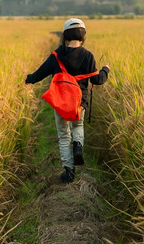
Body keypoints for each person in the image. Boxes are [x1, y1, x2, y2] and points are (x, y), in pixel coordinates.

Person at [25, 18, 110, 183]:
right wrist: (105, 69)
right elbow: (98, 80)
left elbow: (40, 73)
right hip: (79, 103)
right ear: (83, 36)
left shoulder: (57, 55)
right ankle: (78, 145)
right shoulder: (88, 55)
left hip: (61, 103)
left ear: (64, 36)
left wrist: (29, 79)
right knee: (78, 127)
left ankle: (69, 171)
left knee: (64, 135)